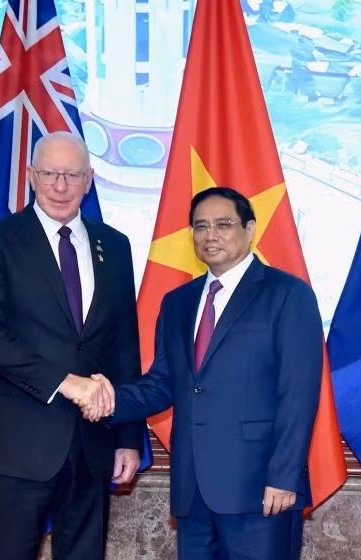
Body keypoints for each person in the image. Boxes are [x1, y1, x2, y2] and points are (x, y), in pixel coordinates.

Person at [88, 187, 323, 559]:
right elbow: (163, 383)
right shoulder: (178, 302)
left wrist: (283, 476)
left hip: (260, 491)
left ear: (250, 229)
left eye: (223, 224)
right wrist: (103, 398)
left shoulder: (288, 295)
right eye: (200, 226)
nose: (210, 235)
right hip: (193, 491)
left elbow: (298, 394)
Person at [0, 131, 143, 560]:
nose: (60, 186)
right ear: (30, 176)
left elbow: (123, 346)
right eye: (49, 174)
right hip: (17, 446)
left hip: (94, 444)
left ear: (89, 179)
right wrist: (66, 382)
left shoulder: (114, 246)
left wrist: (129, 436)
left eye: (72, 174)